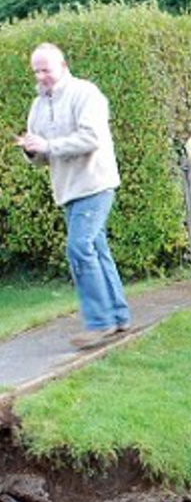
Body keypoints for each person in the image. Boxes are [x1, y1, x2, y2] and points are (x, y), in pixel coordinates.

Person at [15, 42, 130, 350]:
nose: (41, 76)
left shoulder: (86, 94)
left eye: (46, 69)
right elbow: (41, 155)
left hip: (95, 183)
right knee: (96, 248)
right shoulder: (38, 106)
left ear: (62, 66)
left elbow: (91, 138)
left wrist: (49, 146)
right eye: (36, 71)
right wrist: (31, 150)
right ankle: (118, 316)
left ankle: (99, 323)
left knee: (79, 248)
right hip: (67, 190)